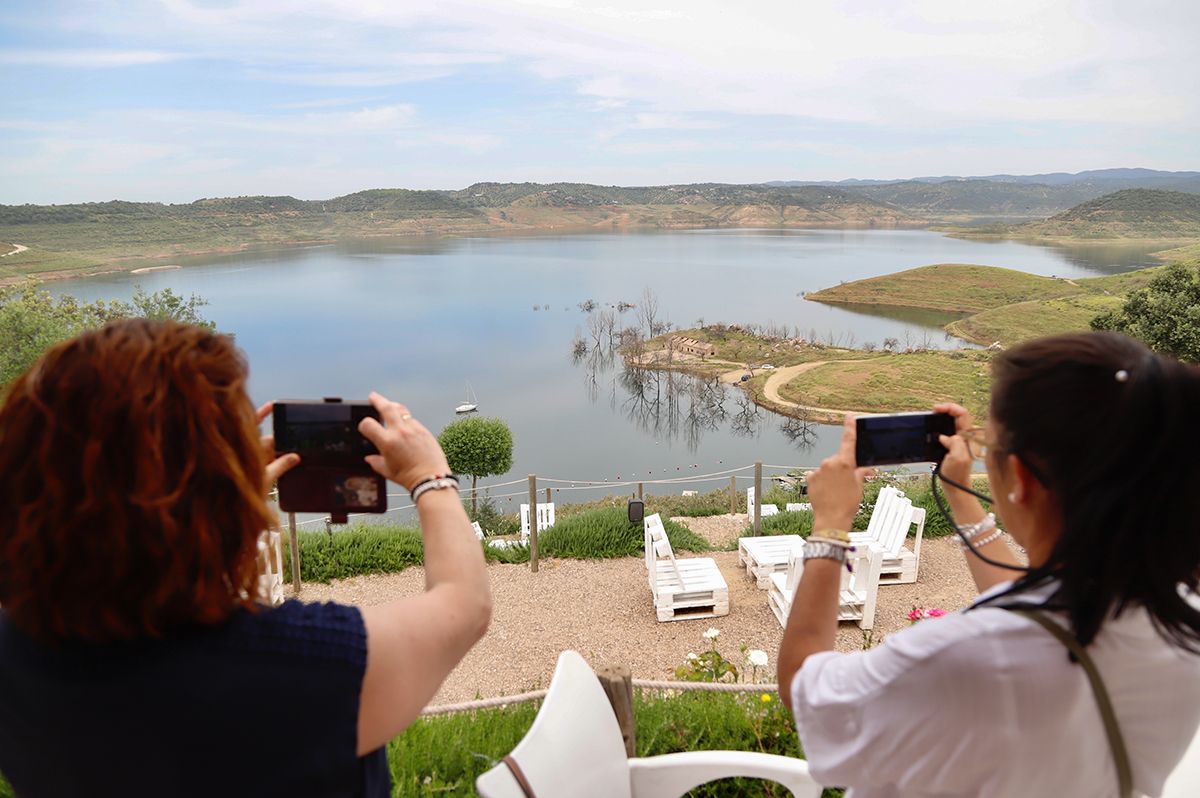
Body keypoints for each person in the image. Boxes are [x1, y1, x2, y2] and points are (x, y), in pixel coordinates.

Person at [0, 319, 492, 797]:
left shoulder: (17, 651)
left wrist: (215, 507)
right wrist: (431, 479)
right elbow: (464, 605)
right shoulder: (300, 668)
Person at [777, 331, 1200, 797]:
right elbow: (1038, 608)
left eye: (990, 444)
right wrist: (961, 495)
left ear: (1019, 475)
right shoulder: (1177, 618)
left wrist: (830, 527)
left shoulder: (962, 658)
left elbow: (803, 688)